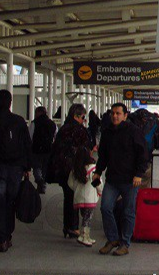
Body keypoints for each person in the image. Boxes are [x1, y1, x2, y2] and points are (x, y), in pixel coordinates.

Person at [93, 103, 147, 256]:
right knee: (105, 208)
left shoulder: (134, 132)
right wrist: (98, 172)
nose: (115, 116)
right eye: (112, 113)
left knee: (128, 212)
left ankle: (124, 243)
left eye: (118, 113)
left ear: (125, 115)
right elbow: (103, 154)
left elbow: (142, 155)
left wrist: (139, 174)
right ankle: (112, 239)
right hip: (112, 179)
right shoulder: (107, 132)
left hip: (130, 180)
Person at [0, 90, 32, 252]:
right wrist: (27, 167)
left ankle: (0, 239)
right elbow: (27, 145)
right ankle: (7, 236)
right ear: (10, 102)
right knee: (10, 203)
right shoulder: (19, 121)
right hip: (16, 169)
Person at [52, 104, 93, 239]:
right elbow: (85, 149)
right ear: (76, 116)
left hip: (62, 168)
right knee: (76, 198)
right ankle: (73, 227)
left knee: (68, 197)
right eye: (83, 117)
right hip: (75, 168)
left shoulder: (63, 129)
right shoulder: (79, 130)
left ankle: (68, 226)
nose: (83, 120)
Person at [67, 146, 102, 247]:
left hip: (79, 198)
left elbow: (70, 183)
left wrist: (77, 189)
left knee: (84, 217)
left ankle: (85, 236)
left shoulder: (75, 169)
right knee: (88, 218)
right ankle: (84, 236)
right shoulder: (92, 168)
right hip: (90, 197)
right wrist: (99, 192)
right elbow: (97, 182)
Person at [29, 106, 56, 194]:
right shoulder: (52, 124)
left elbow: (30, 136)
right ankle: (43, 185)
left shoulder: (34, 123)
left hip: (36, 149)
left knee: (36, 167)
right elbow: (56, 137)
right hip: (48, 150)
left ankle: (39, 180)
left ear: (38, 113)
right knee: (45, 168)